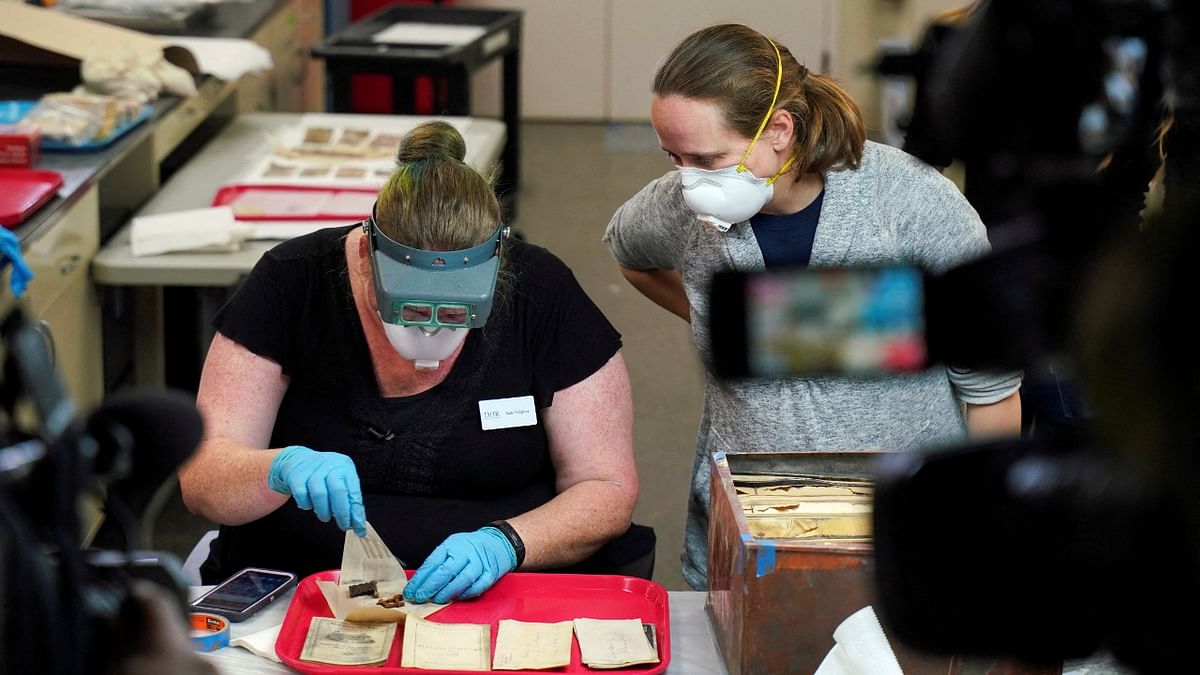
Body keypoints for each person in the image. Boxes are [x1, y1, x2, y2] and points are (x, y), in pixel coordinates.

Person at [603, 24, 1022, 590]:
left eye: (708, 157)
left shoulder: (910, 203)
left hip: (900, 536)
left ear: (778, 130)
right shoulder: (681, 206)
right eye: (674, 157)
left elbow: (992, 392)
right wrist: (721, 318)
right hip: (752, 536)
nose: (690, 180)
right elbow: (631, 253)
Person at [179, 120, 654, 604]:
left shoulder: (541, 292)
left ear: (495, 270)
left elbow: (606, 485)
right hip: (298, 587)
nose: (431, 330)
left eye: (456, 312)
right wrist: (276, 468)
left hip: (496, 592)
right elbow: (202, 480)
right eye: (409, 308)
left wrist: (508, 543)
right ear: (366, 254)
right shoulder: (291, 283)